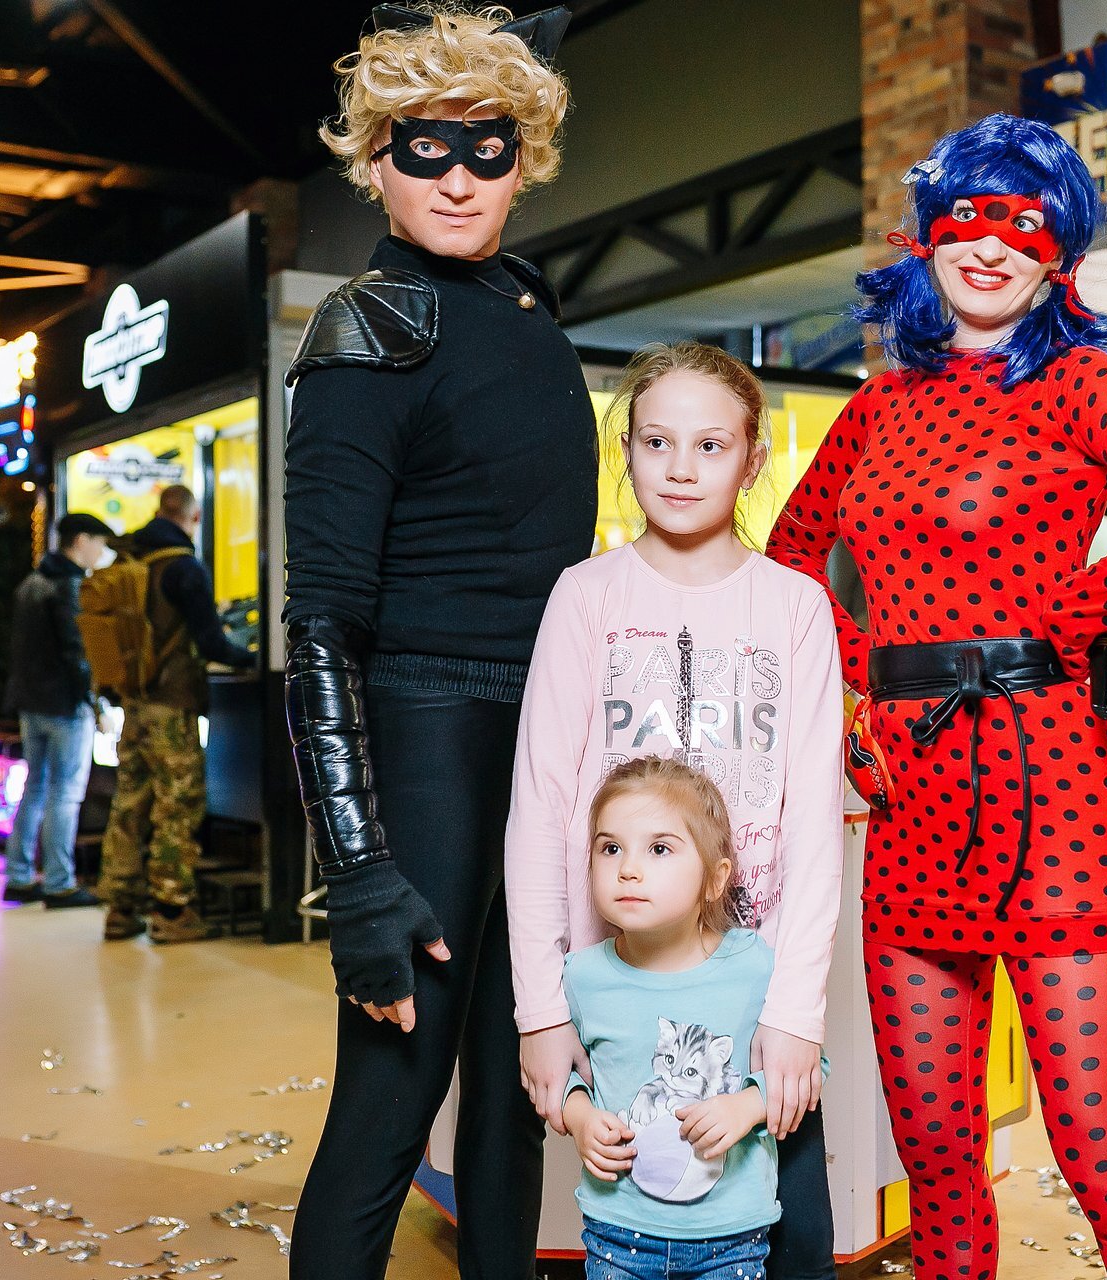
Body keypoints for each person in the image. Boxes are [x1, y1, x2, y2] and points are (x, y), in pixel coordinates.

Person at [766, 113, 1107, 1279]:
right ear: (929, 237)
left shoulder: (1079, 384)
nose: (992, 244)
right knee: (937, 1164)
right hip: (912, 806)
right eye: (971, 218)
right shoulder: (877, 407)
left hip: (1058, 807)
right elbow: (789, 555)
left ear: (1059, 258)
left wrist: (1077, 607)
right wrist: (864, 676)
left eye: (1026, 225)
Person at [280, 7, 595, 1277]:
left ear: (526, 161)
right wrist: (358, 869)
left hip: (547, 740)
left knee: (522, 1093)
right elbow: (320, 623)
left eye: (487, 146)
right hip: (428, 738)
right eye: (424, 148)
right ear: (376, 161)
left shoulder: (523, 305)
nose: (457, 178)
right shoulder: (368, 330)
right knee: (387, 1111)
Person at [506, 342, 844, 1279]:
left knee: (794, 1244)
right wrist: (541, 1011)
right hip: (618, 991)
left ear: (753, 459)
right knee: (631, 1231)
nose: (682, 468)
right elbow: (540, 808)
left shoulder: (796, 607)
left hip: (755, 991)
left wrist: (796, 1012)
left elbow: (813, 825)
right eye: (657, 442)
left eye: (710, 445)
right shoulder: (586, 596)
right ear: (627, 452)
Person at [562, 756, 789, 1280]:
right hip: (618, 1234)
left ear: (715, 879)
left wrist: (745, 1107)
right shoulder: (582, 976)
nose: (628, 868)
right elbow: (559, 1073)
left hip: (731, 1238)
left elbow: (807, 1067)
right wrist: (580, 1118)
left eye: (659, 849)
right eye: (610, 848)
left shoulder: (753, 966)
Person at [95, 484, 256, 944]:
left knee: (130, 803)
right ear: (194, 516)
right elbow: (211, 643)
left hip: (134, 704)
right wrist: (253, 657)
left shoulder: (133, 562)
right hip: (172, 705)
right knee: (177, 805)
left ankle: (120, 908)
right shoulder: (184, 567)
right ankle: (172, 909)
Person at [2, 513, 112, 909]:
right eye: (99, 543)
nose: (101, 552)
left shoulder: (31, 583)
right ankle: (59, 883)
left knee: (35, 789)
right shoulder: (70, 586)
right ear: (81, 540)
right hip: (65, 704)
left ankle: (18, 877)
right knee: (65, 795)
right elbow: (77, 652)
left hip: (30, 702)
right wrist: (96, 703)